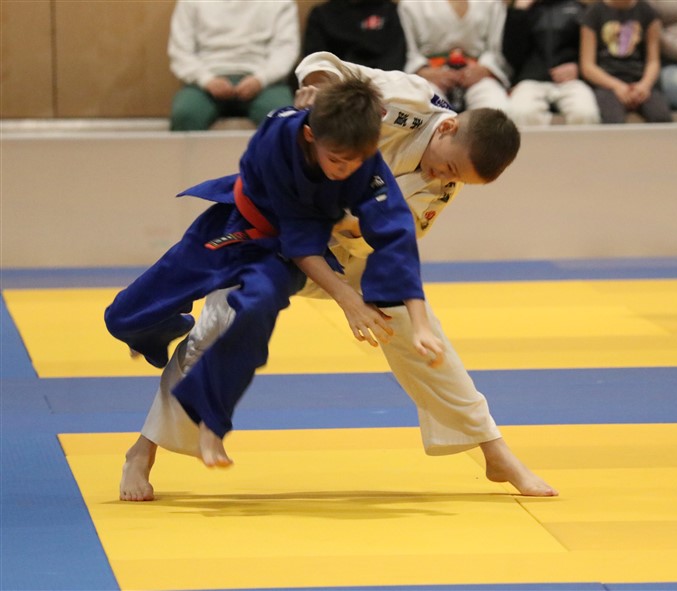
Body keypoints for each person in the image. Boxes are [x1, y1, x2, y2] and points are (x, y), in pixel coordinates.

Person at [119, 52, 558, 502]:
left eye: (458, 179)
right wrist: (318, 87)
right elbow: (324, 65)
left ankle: (494, 451)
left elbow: (393, 241)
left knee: (422, 337)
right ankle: (143, 451)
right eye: (449, 168)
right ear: (446, 128)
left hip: (345, 255)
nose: (444, 178)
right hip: (276, 232)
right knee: (223, 322)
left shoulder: (443, 185)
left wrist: (355, 249)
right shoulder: (407, 98)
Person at [107, 75, 446, 468]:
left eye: (356, 161)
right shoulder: (279, 137)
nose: (346, 169)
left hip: (278, 257)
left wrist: (420, 323)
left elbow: (397, 238)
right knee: (124, 316)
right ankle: (156, 330)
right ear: (310, 136)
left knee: (256, 308)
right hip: (234, 227)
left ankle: (210, 421)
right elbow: (301, 240)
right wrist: (346, 298)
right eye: (336, 160)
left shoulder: (362, 159)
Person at [167, 0, 300, 131]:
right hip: (205, 81)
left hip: (265, 82)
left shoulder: (281, 3)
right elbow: (180, 52)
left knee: (282, 118)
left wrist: (260, 79)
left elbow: (285, 50)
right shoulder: (189, 3)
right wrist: (207, 80)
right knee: (185, 115)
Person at [397, 0, 511, 112]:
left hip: (477, 73)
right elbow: (410, 53)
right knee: (427, 109)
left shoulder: (493, 3)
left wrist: (484, 69)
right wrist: (423, 71)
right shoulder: (410, 4)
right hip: (430, 75)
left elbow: (495, 50)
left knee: (498, 110)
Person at [503, 0, 600, 126]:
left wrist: (578, 68)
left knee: (585, 113)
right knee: (521, 112)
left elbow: (596, 52)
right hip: (531, 81)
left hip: (571, 81)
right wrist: (519, 11)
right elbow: (511, 55)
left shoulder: (579, 8)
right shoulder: (521, 10)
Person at [579, 0, 672, 124]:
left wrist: (644, 85)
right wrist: (617, 86)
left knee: (661, 116)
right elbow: (587, 66)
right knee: (612, 119)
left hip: (639, 80)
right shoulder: (594, 12)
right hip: (606, 82)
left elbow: (653, 61)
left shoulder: (648, 12)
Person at [302, 0, 406, 71]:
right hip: (338, 86)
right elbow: (315, 61)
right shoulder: (322, 14)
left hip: (384, 82)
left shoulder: (390, 10)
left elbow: (396, 55)